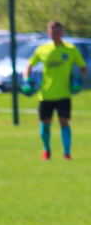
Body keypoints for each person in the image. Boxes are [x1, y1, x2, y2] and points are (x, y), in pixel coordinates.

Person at [24, 20, 87, 160]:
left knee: (64, 122)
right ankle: (46, 150)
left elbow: (83, 67)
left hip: (64, 94)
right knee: (45, 124)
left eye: (58, 32)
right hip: (46, 94)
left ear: (62, 33)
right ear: (48, 33)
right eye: (52, 32)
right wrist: (26, 81)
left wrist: (77, 79)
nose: (55, 35)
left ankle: (67, 153)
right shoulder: (42, 49)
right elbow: (28, 65)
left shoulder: (70, 49)